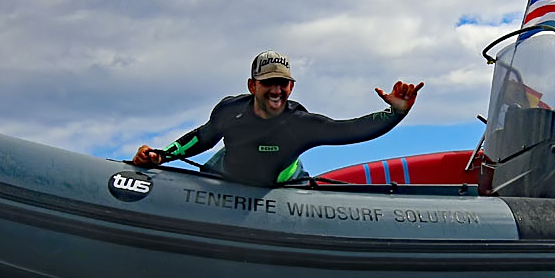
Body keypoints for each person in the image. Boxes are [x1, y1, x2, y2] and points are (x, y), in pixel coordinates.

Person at [132, 51, 423, 186]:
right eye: (268, 82)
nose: (276, 90)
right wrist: (160, 155)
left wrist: (395, 112)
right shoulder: (230, 111)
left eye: (282, 83)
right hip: (224, 173)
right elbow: (202, 137)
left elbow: (351, 130)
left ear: (291, 87)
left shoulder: (299, 123)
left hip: (283, 184)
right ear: (252, 86)